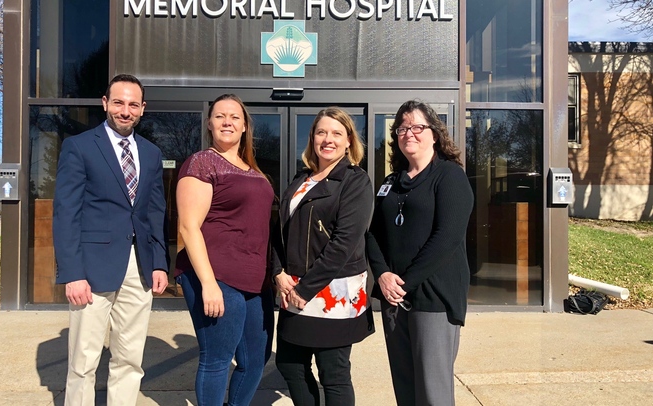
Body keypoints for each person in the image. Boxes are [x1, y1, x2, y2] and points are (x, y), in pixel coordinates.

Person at [52, 74, 169, 406]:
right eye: (118, 102)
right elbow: (66, 212)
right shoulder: (79, 146)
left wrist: (159, 262)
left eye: (133, 104)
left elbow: (155, 213)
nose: (125, 110)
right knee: (83, 361)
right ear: (105, 103)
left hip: (139, 267)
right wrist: (72, 272)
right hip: (91, 269)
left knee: (130, 359)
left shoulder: (151, 153)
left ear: (142, 109)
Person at [366, 100, 474, 406]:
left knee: (432, 393)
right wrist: (383, 276)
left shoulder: (449, 177)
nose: (408, 133)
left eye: (417, 126)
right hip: (394, 299)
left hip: (433, 299)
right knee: (406, 389)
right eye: (402, 128)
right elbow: (373, 234)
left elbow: (447, 238)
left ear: (435, 134)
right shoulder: (391, 183)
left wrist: (404, 281)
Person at [175, 94, 276, 406]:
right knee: (217, 359)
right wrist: (207, 284)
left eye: (234, 117)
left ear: (245, 126)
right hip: (216, 276)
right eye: (220, 116)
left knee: (255, 360)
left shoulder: (252, 169)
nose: (227, 122)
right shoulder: (201, 163)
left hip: (255, 280)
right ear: (209, 123)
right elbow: (188, 227)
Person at [271, 106, 374, 406]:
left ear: (348, 141)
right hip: (292, 288)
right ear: (312, 138)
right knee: (289, 364)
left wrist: (305, 288)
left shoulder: (355, 182)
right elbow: (281, 231)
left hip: (331, 293)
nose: (328, 139)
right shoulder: (301, 179)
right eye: (321, 132)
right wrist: (277, 271)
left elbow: (344, 244)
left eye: (336, 133)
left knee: (334, 373)